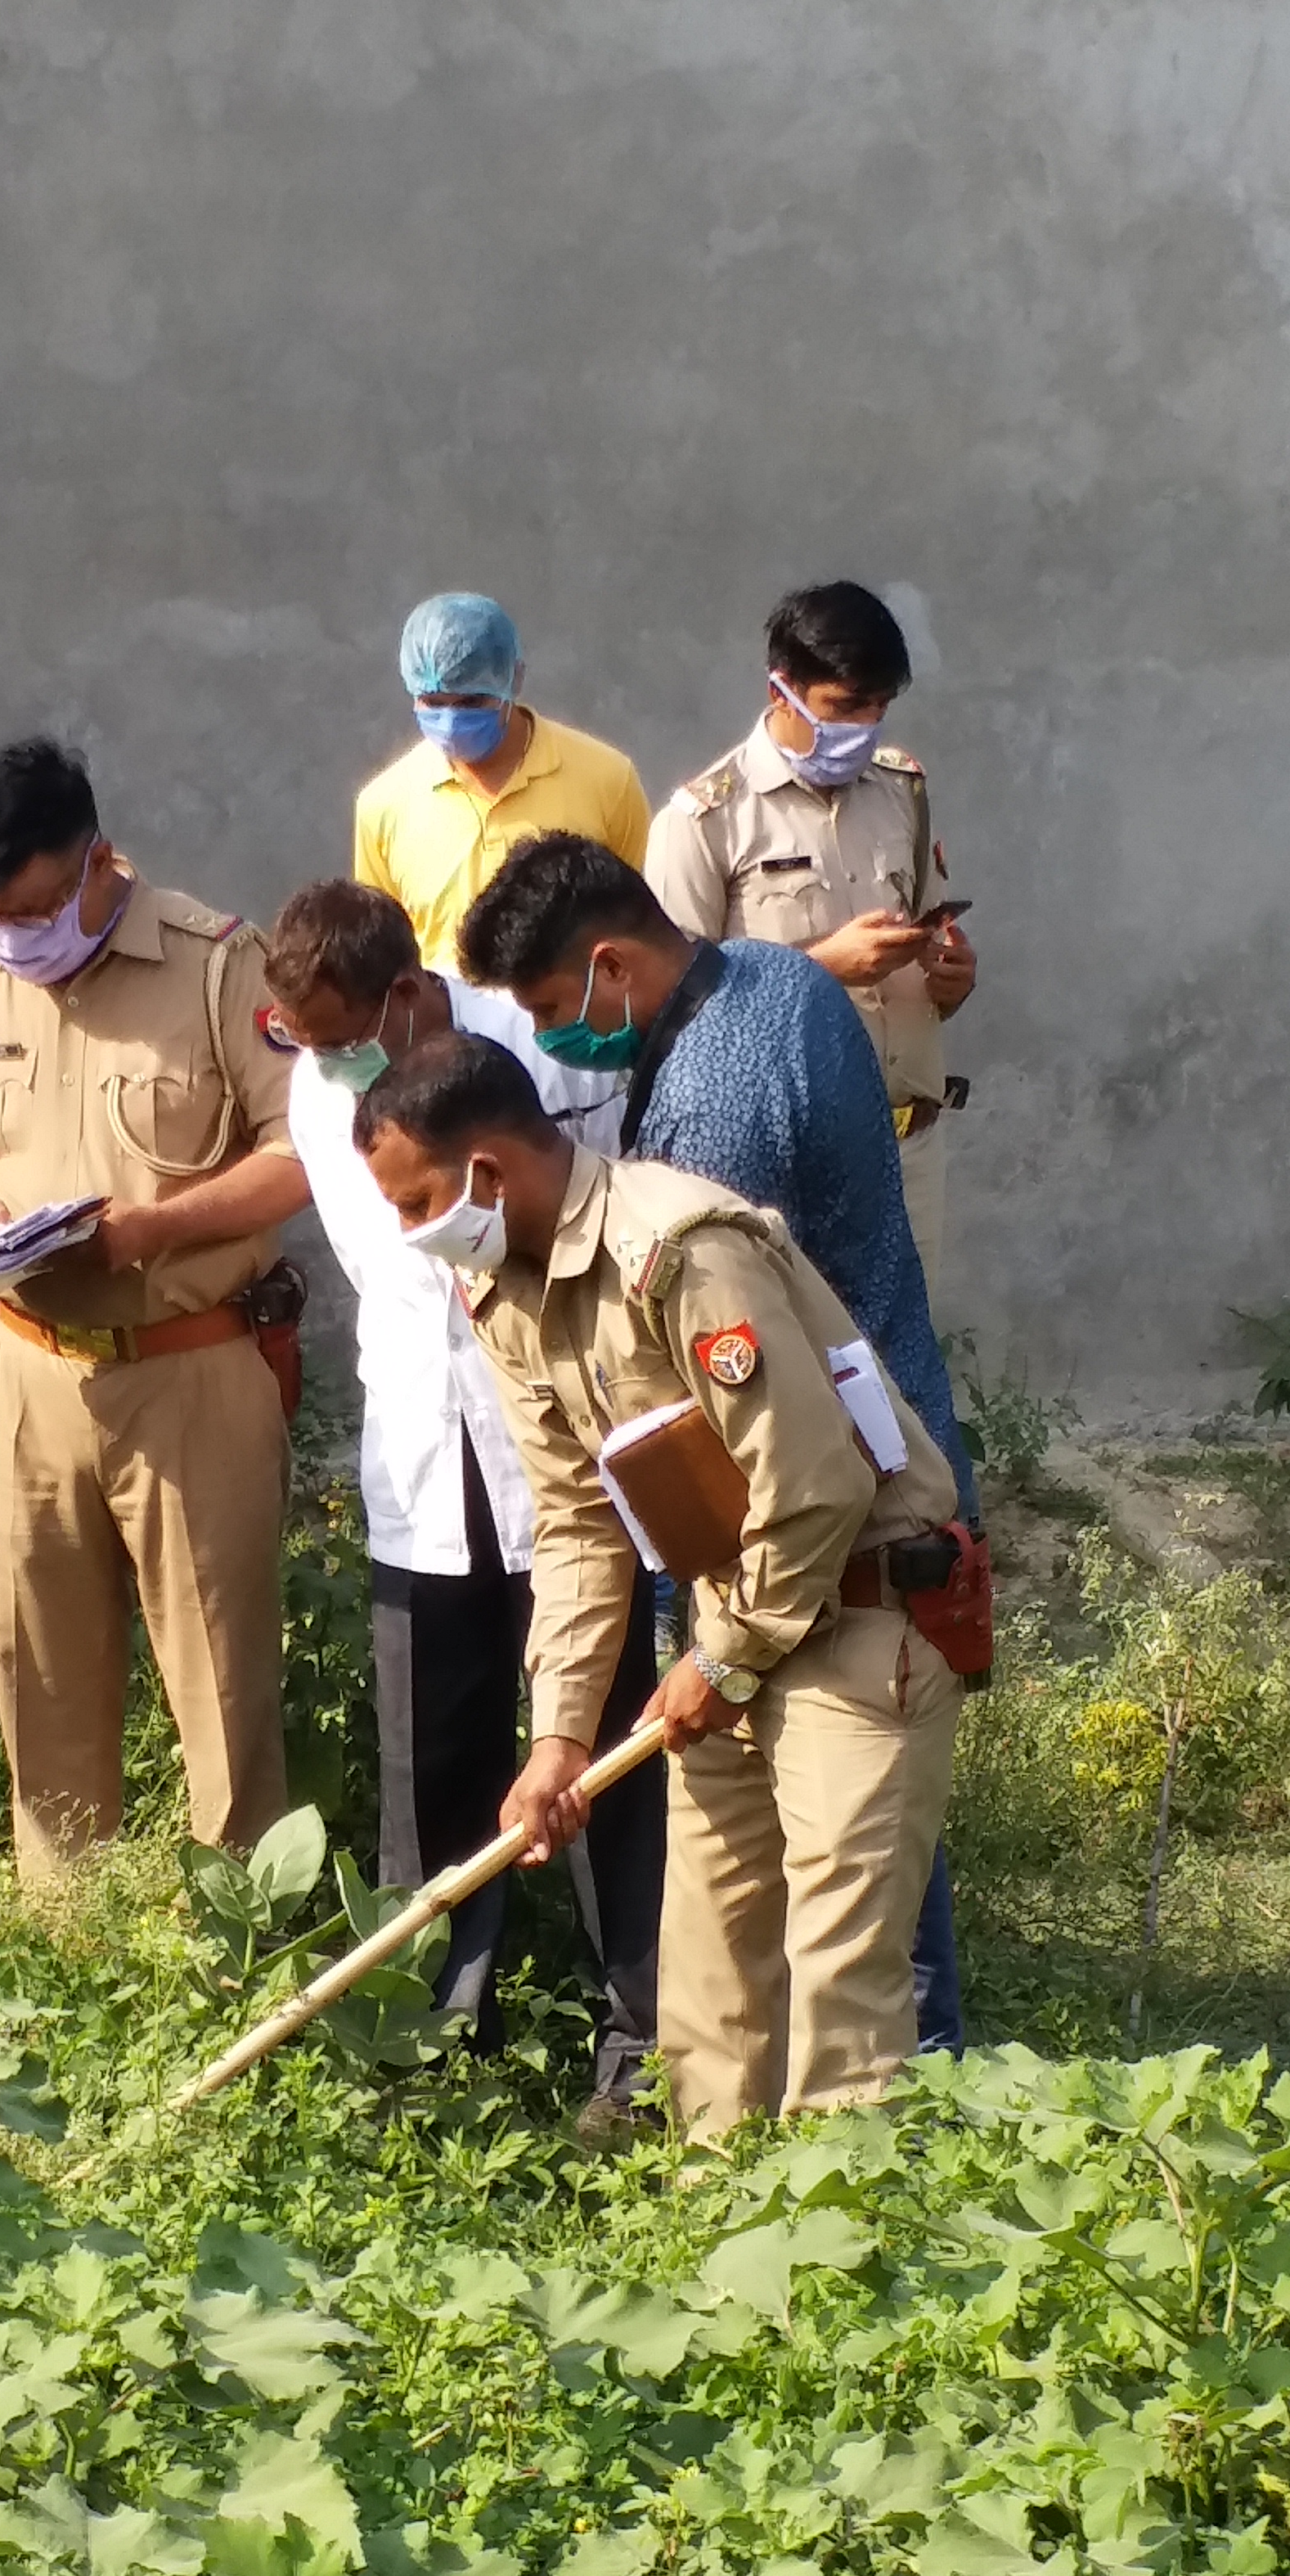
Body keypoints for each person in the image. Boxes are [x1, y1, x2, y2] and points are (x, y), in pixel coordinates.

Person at [353, 1034, 975, 2134]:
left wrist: (715, 1664)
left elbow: (818, 1483)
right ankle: (713, 2241)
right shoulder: (504, 1295)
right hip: (731, 1626)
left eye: (418, 1202)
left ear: (488, 1172)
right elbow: (577, 1522)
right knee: (709, 1982)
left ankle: (855, 2264)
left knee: (839, 1977)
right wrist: (557, 1742)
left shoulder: (683, 1251)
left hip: (857, 1613)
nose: (412, 1235)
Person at [456, 830, 978, 2052]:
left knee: (845, 1884)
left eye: (549, 1007)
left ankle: (897, 2112)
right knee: (881, 1850)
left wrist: (712, 1630)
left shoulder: (710, 1108)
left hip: (822, 1508)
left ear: (611, 967)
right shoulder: (775, 976)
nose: (550, 1041)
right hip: (871, 1462)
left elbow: (707, 1391)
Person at [259, 877, 658, 2132]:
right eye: (309, 1049)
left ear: (406, 992)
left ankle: (642, 2047)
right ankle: (432, 2043)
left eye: (346, 1037)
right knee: (428, 1764)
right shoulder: (318, 1090)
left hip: (562, 1456)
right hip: (424, 1466)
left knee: (598, 1756)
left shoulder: (532, 1038)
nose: (328, 1065)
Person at [0, 739, 312, 1880]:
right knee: (39, 1678)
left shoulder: (217, 964)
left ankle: (246, 1949)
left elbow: (303, 1155)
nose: (14, 936)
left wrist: (151, 1230)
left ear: (96, 862)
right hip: (26, 1367)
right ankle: (71, 1949)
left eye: (32, 908)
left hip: (190, 1367)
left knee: (221, 1684)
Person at [642, 582, 976, 1296]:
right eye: (845, 708)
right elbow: (667, 1017)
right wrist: (823, 967)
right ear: (782, 690)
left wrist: (949, 978)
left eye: (880, 709)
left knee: (905, 1383)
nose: (865, 728)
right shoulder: (704, 820)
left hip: (907, 1143)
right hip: (787, 1162)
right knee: (806, 1384)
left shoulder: (901, 789)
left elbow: (924, 929)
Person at [351, 593, 652, 972]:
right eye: (433, 702)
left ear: (515, 679)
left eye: (472, 702)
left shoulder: (607, 779)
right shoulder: (383, 805)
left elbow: (638, 926)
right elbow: (383, 956)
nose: (451, 720)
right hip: (444, 1027)